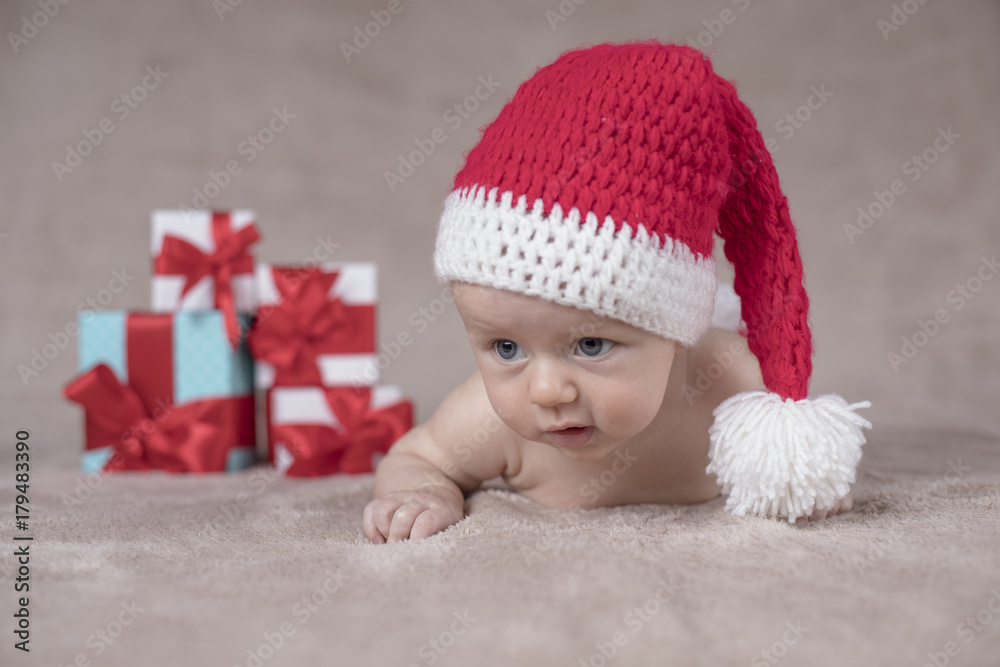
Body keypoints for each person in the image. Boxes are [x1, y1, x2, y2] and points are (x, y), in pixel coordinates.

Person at [363, 41, 871, 543]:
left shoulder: (729, 382)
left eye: (590, 345)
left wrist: (807, 484)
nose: (545, 391)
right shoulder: (484, 421)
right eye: (506, 348)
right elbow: (415, 457)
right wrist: (426, 492)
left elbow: (797, 454)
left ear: (675, 332)